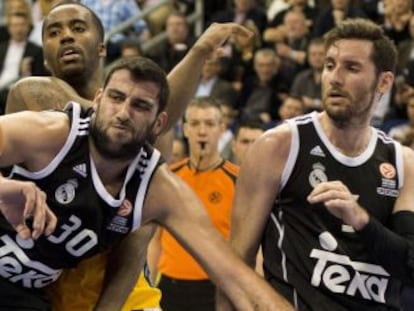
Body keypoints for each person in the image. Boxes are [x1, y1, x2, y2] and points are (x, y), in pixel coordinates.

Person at [4, 1, 255, 310]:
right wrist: (197, 55)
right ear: (44, 55)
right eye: (54, 32)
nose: (66, 36)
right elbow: (110, 123)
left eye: (78, 28)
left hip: (125, 291)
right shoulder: (32, 94)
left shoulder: (150, 140)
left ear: (102, 47)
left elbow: (136, 244)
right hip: (45, 284)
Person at [216, 18, 414, 310]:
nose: (335, 77)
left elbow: (410, 266)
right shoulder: (279, 147)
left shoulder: (404, 163)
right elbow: (235, 268)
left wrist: (361, 220)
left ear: (384, 81)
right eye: (330, 65)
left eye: (352, 67)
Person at [148, 97, 239, 311]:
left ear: (221, 129)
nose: (202, 131)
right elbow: (154, 240)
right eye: (196, 124)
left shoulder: (238, 180)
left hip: (216, 288)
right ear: (186, 129)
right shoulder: (167, 178)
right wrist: (150, 288)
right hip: (169, 286)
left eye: (209, 124)